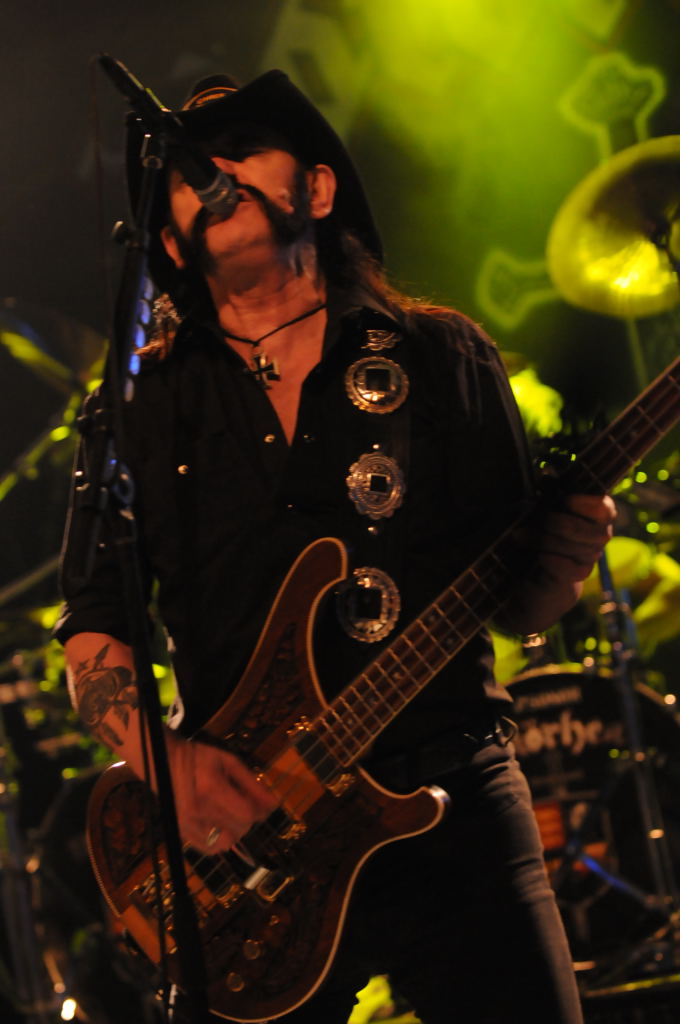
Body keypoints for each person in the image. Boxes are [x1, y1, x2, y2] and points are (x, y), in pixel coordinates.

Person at [55, 70, 616, 1023]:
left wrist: (563, 564)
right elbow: (94, 625)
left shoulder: (440, 355)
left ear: (317, 190)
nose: (214, 174)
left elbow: (520, 601)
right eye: (188, 172)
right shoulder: (136, 410)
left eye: (243, 149)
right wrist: (168, 766)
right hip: (250, 841)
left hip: (453, 795)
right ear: (167, 243)